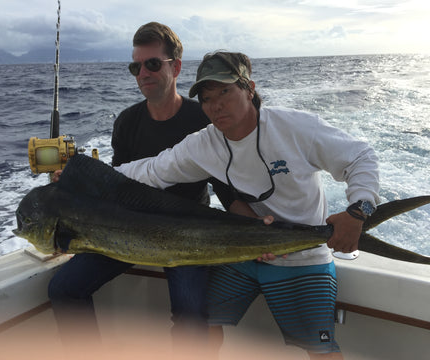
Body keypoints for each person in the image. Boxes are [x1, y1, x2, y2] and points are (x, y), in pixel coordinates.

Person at [115, 51, 380, 359]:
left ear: (249, 89)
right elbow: (152, 170)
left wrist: (359, 212)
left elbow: (361, 156)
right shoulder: (205, 143)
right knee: (202, 324)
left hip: (302, 258)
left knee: (321, 350)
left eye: (225, 91)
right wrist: (87, 173)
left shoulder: (294, 127)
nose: (216, 105)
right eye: (207, 98)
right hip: (245, 253)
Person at [48, 23, 232, 353]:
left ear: (175, 66)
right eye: (136, 66)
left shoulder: (202, 119)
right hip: (127, 229)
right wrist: (75, 191)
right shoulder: (126, 121)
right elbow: (117, 188)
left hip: (187, 234)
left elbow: (227, 183)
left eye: (152, 63)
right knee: (63, 288)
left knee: (191, 313)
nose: (142, 73)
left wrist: (257, 226)